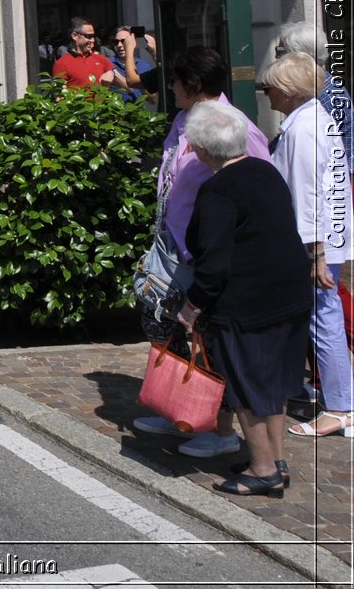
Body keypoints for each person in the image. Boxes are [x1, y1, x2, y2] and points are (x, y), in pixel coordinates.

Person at [133, 46, 272, 457]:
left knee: (208, 340)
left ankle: (220, 429)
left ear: (193, 85)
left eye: (174, 81)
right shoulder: (182, 119)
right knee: (165, 326)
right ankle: (178, 408)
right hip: (175, 246)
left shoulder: (235, 127)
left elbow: (258, 185)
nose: (169, 87)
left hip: (207, 252)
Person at [174, 101, 312, 497]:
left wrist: (192, 304)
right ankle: (276, 460)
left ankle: (262, 468)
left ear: (201, 149)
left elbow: (213, 264)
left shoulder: (217, 189)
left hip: (247, 302)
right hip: (288, 292)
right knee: (274, 383)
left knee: (246, 385)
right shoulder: (265, 171)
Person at [261, 52, 353, 438]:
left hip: (312, 243)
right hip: (322, 239)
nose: (267, 95)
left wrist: (314, 255)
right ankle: (323, 395)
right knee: (315, 316)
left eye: (272, 89)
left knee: (323, 318)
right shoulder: (315, 119)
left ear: (289, 92)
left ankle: (341, 407)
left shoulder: (303, 128)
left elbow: (307, 194)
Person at [274, 20, 352, 162]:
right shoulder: (318, 86)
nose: (276, 58)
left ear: (301, 56)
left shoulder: (324, 93)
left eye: (280, 52)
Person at [51, 17, 124, 89]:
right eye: (89, 36)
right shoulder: (61, 64)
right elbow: (60, 96)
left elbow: (126, 84)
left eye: (93, 36)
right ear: (75, 36)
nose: (93, 40)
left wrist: (112, 73)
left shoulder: (101, 59)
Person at [110, 27, 159, 105]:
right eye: (116, 42)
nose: (119, 45)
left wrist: (141, 85)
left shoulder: (144, 66)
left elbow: (152, 100)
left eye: (124, 41)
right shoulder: (107, 64)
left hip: (137, 115)